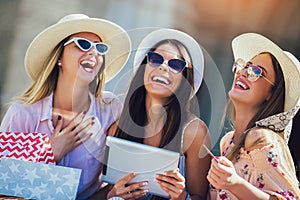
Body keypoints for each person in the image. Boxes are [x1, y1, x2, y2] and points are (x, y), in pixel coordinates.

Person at [0, 13, 131, 199]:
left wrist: (112, 194)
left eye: (100, 48)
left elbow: (113, 184)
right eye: (83, 44)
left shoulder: (111, 110)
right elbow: (5, 192)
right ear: (59, 58)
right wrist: (50, 153)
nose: (93, 52)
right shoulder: (22, 114)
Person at [105, 28, 212, 200]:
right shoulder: (118, 126)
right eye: (156, 59)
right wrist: (113, 195)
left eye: (176, 65)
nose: (163, 67)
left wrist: (180, 196)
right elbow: (107, 189)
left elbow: (200, 196)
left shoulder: (194, 132)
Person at [207, 33, 300, 199]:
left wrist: (235, 184)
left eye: (255, 72)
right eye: (244, 66)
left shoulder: (261, 138)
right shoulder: (227, 141)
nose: (242, 73)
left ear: (272, 94)